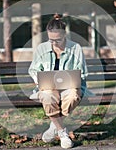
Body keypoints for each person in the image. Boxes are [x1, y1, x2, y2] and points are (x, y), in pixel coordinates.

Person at [28, 14, 91, 149]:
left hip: (70, 87)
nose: (54, 43)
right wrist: (38, 82)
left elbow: (83, 72)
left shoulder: (76, 48)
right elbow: (33, 70)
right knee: (47, 96)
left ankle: (54, 127)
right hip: (48, 87)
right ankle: (63, 133)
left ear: (65, 35)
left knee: (73, 96)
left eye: (58, 39)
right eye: (51, 40)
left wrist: (77, 83)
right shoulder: (41, 48)